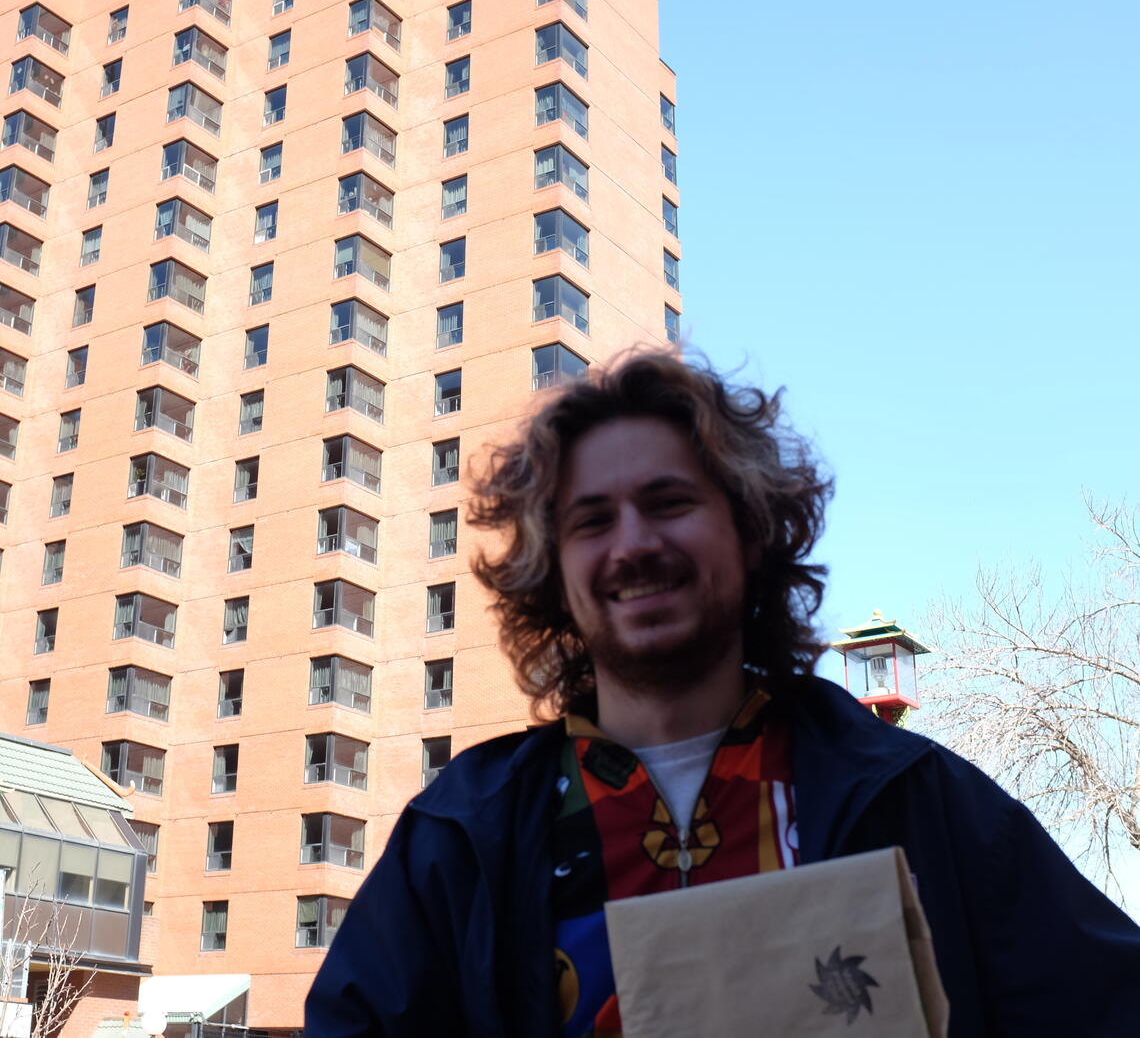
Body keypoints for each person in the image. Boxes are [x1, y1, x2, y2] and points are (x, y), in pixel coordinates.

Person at [305, 351, 1140, 1037]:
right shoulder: (459, 836)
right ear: (554, 573)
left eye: (669, 503)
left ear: (750, 531)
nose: (633, 544)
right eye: (592, 521)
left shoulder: (922, 802)